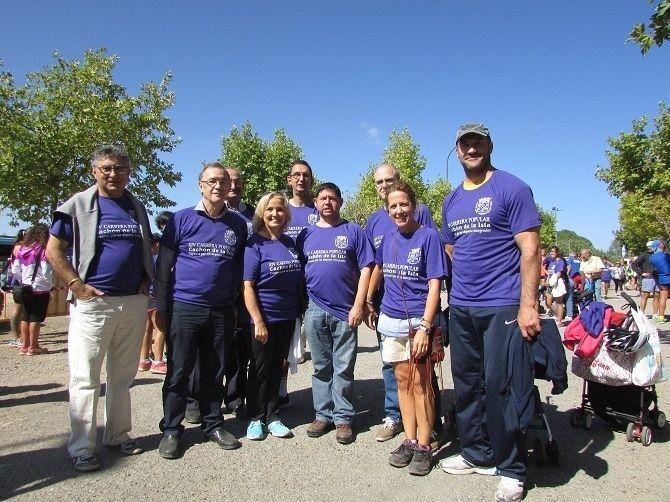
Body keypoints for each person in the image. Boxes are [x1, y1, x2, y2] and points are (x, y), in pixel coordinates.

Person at [439, 123, 541, 502]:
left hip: (502, 305)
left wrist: (528, 305)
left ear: (489, 146)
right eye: (465, 144)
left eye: (477, 143)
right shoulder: (451, 200)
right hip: (462, 306)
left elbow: (530, 248)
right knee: (466, 384)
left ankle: (512, 468)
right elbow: (451, 248)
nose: (471, 149)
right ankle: (476, 453)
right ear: (457, 150)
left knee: (501, 386)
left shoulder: (512, 188)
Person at [46, 144, 154, 472]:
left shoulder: (136, 206)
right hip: (94, 304)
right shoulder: (77, 205)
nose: (113, 174)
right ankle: (82, 447)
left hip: (132, 302)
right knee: (85, 377)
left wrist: (145, 279)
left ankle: (117, 435)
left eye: (120, 168)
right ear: (94, 171)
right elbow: (53, 251)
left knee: (122, 376)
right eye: (106, 168)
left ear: (129, 173)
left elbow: (143, 249)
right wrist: (76, 285)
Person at [155, 162, 247, 459]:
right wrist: (161, 306)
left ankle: (213, 424)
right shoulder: (181, 219)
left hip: (221, 310)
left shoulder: (237, 224)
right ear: (200, 185)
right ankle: (171, 429)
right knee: (179, 371)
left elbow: (238, 269)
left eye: (223, 181)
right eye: (212, 181)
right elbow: (163, 267)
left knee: (214, 371)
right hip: (185, 307)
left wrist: (234, 305)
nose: (218, 186)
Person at [365, 181, 447, 476]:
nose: (398, 210)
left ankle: (424, 444)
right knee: (402, 383)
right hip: (391, 320)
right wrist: (368, 300)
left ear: (414, 205)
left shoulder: (428, 237)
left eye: (403, 204)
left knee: (422, 385)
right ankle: (410, 440)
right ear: (387, 210)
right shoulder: (388, 237)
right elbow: (379, 268)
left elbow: (435, 284)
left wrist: (425, 326)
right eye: (393, 206)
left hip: (417, 324)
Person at [296, 182, 374, 445]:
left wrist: (359, 304)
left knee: (343, 367)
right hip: (314, 307)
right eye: (322, 198)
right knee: (321, 367)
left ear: (340, 202)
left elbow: (366, 268)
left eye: (332, 198)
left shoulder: (354, 231)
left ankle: (343, 418)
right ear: (315, 203)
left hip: (346, 309)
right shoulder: (305, 235)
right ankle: (323, 415)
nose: (327, 202)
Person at [243, 192, 303, 440]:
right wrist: (258, 321)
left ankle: (273, 416)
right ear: (261, 213)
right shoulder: (254, 244)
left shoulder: (290, 243)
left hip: (287, 316)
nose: (275, 214)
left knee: (277, 366)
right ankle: (255, 418)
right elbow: (247, 286)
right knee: (260, 368)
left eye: (279, 209)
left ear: (286, 214)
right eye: (269, 210)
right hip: (263, 318)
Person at [222, 167, 255, 417]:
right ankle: (200, 400)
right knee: (210, 349)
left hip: (246, 288)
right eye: (229, 181)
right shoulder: (212, 212)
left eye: (238, 181)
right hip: (219, 288)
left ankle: (236, 398)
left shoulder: (254, 214)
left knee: (241, 348)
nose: (234, 185)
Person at [11, 224, 53, 355]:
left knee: (26, 316)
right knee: (36, 318)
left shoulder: (23, 250)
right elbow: (46, 271)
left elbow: (15, 270)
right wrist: (50, 284)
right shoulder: (43, 250)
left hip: (26, 288)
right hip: (40, 289)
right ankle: (34, 346)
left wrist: (24, 280)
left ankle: (25, 346)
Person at [138, 232, 167, 374]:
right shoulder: (158, 259)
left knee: (147, 329)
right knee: (161, 328)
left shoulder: (144, 259)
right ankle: (158, 361)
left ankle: (143, 360)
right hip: (156, 296)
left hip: (144, 296)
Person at [284, 160, 318, 243]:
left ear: (312, 181)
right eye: (297, 175)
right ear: (289, 180)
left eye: (306, 175)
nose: (301, 179)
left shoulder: (321, 208)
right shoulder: (280, 210)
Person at [7, 229, 26, 347]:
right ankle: (15, 337)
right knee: (17, 309)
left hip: (20, 281)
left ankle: (21, 336)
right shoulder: (19, 248)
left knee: (22, 310)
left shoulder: (21, 246)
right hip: (19, 282)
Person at [631, 241, 659, 316]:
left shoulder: (657, 254)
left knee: (657, 296)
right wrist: (641, 273)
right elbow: (634, 264)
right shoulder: (644, 255)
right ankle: (642, 313)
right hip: (648, 278)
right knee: (645, 295)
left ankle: (655, 314)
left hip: (658, 277)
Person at [545, 246, 567, 324]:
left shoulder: (560, 261)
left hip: (557, 284)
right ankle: (559, 315)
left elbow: (559, 274)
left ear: (557, 253)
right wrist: (547, 281)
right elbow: (549, 274)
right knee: (548, 303)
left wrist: (552, 282)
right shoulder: (551, 262)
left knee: (559, 303)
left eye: (553, 251)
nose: (551, 253)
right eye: (550, 251)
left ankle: (560, 320)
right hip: (550, 284)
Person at [649, 240, 669, 323]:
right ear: (659, 245)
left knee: (663, 298)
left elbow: (654, 267)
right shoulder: (666, 255)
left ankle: (661, 317)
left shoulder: (652, 257)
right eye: (662, 244)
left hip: (662, 279)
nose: (663, 244)